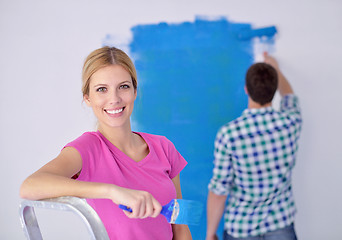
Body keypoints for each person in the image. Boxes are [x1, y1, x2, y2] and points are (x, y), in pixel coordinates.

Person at [20, 46, 192, 240]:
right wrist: (111, 191)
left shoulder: (164, 147)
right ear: (88, 98)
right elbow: (30, 186)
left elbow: (181, 224)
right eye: (102, 89)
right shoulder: (87, 149)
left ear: (135, 91)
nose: (114, 99)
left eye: (124, 87)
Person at [206, 53, 302, 240]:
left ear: (246, 90)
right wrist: (276, 69)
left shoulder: (230, 135)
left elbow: (219, 192)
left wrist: (210, 234)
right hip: (281, 225)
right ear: (274, 91)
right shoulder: (291, 122)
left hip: (241, 229)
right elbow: (289, 94)